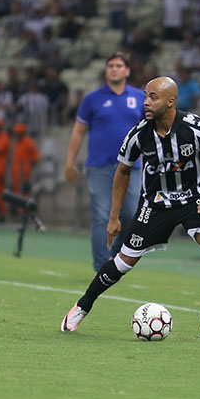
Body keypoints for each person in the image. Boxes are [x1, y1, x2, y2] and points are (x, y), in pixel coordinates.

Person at [61, 76, 200, 339]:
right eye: (145, 96)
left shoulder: (195, 127)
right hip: (154, 206)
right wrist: (114, 217)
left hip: (194, 201)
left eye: (153, 97)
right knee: (122, 263)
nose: (146, 102)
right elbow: (122, 172)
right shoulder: (138, 134)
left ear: (171, 101)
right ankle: (81, 306)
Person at [64, 52, 145, 271]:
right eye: (110, 65)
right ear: (106, 70)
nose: (114, 68)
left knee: (131, 215)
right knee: (100, 215)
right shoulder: (92, 98)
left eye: (119, 65)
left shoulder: (139, 97)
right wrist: (70, 161)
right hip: (99, 166)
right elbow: (78, 131)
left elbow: (148, 132)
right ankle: (102, 266)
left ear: (127, 71)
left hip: (131, 167)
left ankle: (114, 254)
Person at [10, 122, 40, 202]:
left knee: (24, 191)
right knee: (17, 192)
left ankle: (24, 210)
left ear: (22, 133)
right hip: (16, 173)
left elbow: (35, 157)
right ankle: (20, 211)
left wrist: (29, 170)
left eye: (18, 133)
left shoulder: (28, 142)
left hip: (25, 173)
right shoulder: (16, 143)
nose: (17, 135)